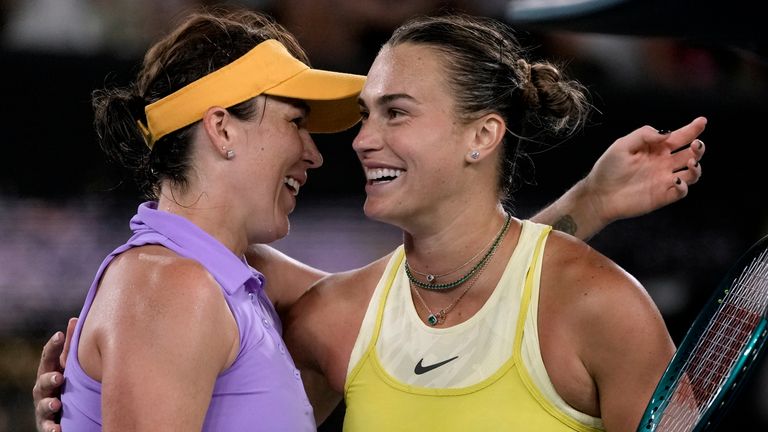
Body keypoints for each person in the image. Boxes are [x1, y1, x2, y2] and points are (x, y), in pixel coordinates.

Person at [32, 10, 708, 432]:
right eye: (298, 122)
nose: (333, 148)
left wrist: (587, 204)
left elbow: (482, 292)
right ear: (220, 130)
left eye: (397, 112)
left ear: (484, 135)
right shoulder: (183, 288)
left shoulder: (236, 283)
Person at [43, 7, 369, 431]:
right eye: (295, 122)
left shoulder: (228, 276)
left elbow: (386, 297)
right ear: (222, 129)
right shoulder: (171, 289)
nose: (314, 153)